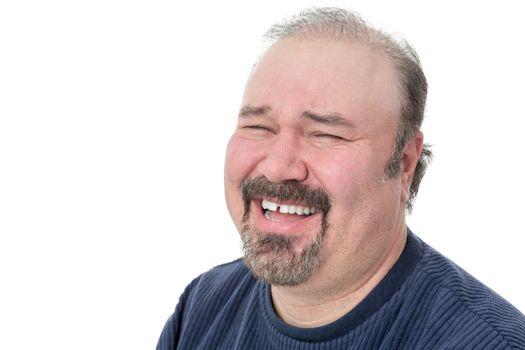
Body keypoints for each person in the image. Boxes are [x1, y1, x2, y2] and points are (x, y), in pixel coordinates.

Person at [157, 7, 525, 349]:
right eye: (258, 126)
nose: (278, 167)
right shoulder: (203, 307)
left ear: (405, 164)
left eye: (326, 135)